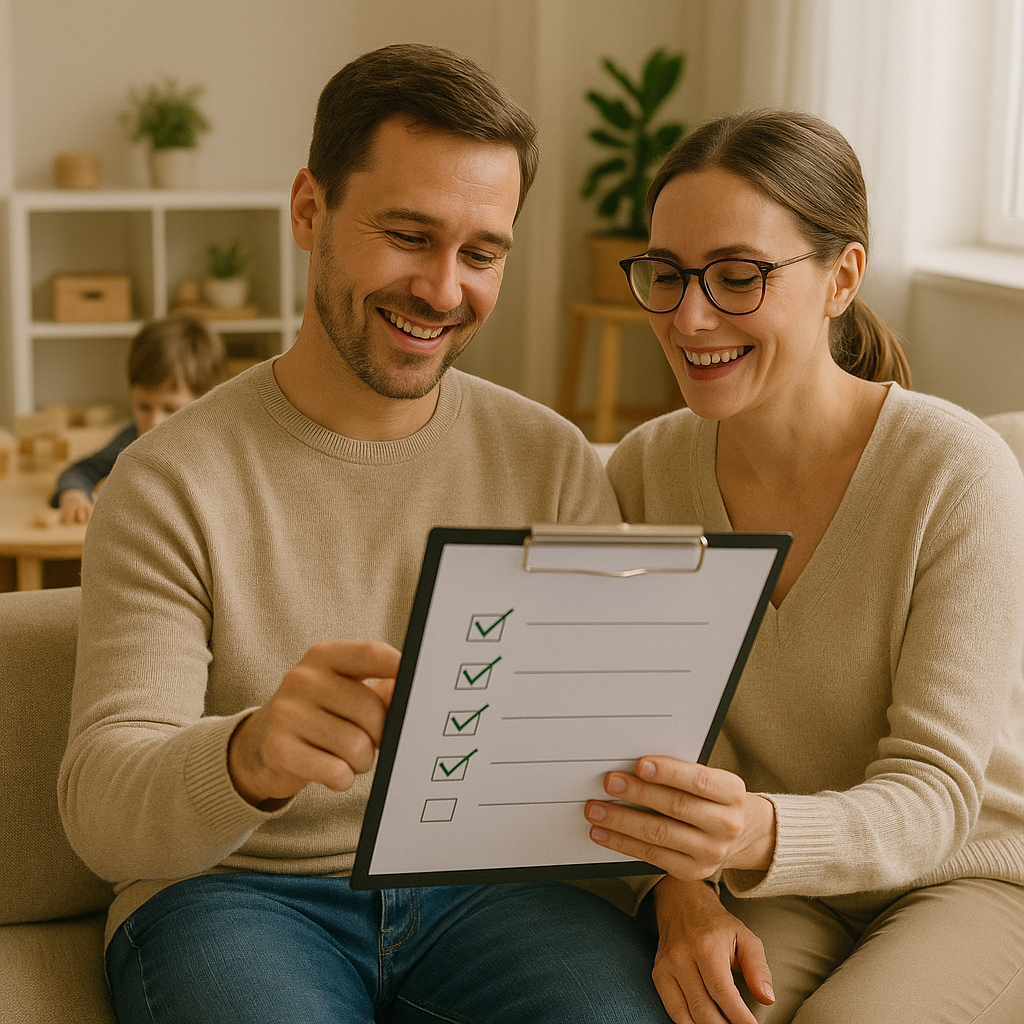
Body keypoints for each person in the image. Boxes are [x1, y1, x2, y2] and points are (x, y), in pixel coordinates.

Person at [58, 44, 672, 1024]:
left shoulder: (551, 461)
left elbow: (612, 747)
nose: (440, 289)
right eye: (407, 235)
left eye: (480, 253)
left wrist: (684, 890)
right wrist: (248, 757)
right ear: (309, 210)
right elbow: (100, 808)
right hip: (235, 895)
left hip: (495, 895)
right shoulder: (169, 480)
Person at [587, 108, 1024, 1024]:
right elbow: (643, 744)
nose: (689, 316)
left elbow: (938, 794)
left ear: (842, 279)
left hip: (973, 870)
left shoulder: (956, 471)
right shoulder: (642, 470)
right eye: (665, 275)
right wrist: (681, 895)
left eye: (738, 278)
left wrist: (747, 832)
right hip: (776, 879)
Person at [51, 314, 225, 523]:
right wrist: (74, 496)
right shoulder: (132, 439)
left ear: (205, 402)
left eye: (170, 408)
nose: (154, 423)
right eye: (144, 407)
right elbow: (80, 471)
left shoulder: (218, 453)